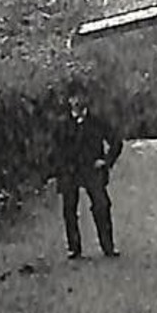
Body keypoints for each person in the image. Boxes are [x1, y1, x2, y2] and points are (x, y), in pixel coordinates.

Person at [52, 77, 123, 260]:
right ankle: (74, 249)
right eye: (73, 97)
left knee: (101, 204)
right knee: (69, 208)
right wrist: (59, 169)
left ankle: (108, 246)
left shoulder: (97, 121)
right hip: (70, 170)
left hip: (92, 169)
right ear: (68, 101)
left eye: (80, 97)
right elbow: (54, 150)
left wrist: (106, 162)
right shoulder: (61, 124)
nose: (76, 101)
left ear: (85, 99)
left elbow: (116, 142)